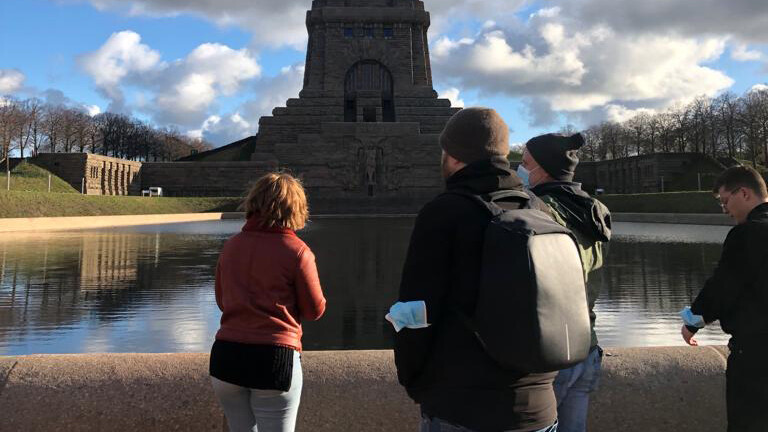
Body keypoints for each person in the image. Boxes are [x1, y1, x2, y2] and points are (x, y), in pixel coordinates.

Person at [388, 107, 559, 432]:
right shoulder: (539, 210)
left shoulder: (445, 212)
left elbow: (414, 311)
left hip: (462, 407)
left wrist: (414, 381)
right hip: (540, 408)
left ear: (453, 155)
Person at [209, 172, 326, 432]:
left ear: (253, 202)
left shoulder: (231, 246)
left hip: (226, 356)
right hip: (273, 359)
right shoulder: (297, 251)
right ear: (296, 208)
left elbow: (222, 301)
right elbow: (314, 310)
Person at [518, 133, 612, 432]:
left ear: (543, 169)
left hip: (552, 352)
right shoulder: (595, 209)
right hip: (586, 346)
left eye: (525, 163)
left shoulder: (538, 210)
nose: (520, 169)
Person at [680, 166, 768, 432]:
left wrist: (692, 321)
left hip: (756, 354)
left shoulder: (748, 234)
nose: (725, 209)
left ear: (744, 193)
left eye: (725, 201)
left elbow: (722, 287)